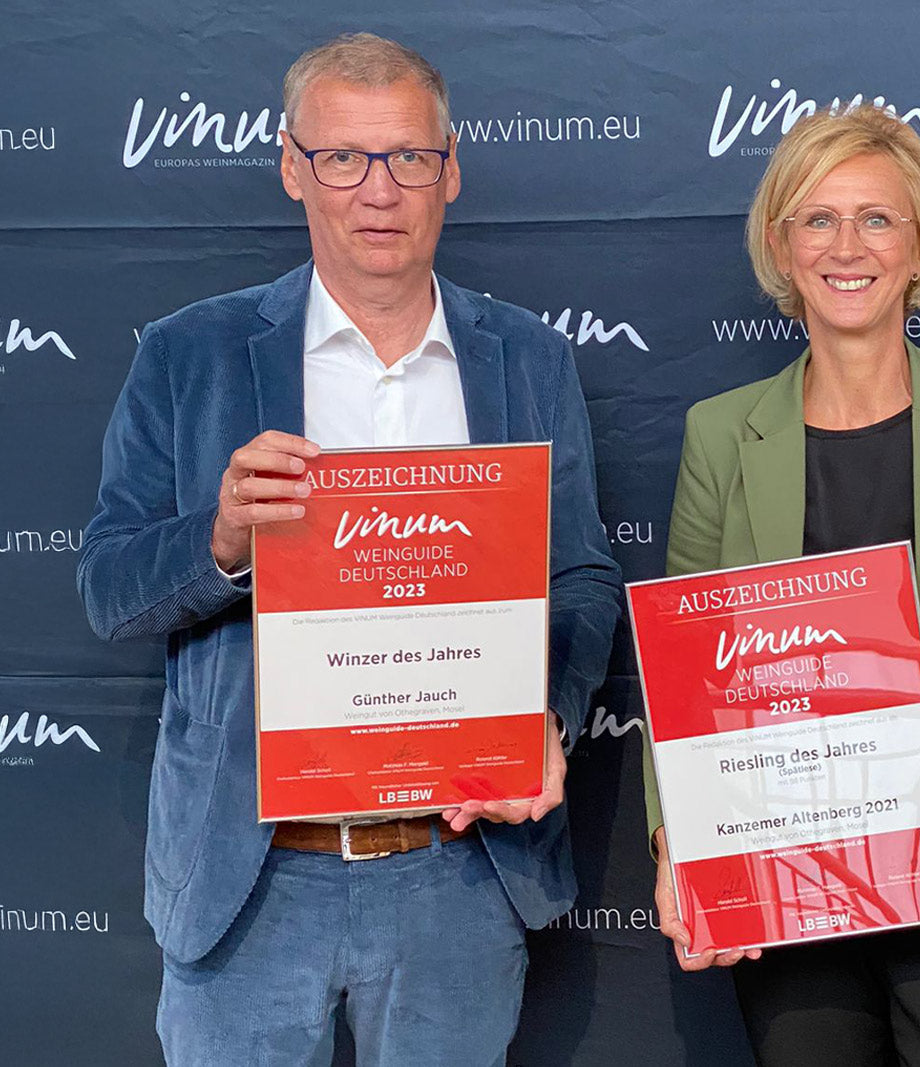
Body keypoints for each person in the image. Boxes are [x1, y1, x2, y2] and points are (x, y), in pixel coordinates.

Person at [77, 33, 622, 1066]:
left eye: (407, 157)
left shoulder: (528, 359)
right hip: (250, 879)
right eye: (344, 157)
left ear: (449, 169)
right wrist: (223, 539)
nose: (379, 189)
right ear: (293, 167)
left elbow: (582, 577)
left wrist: (544, 718)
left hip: (457, 876)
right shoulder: (190, 354)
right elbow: (108, 584)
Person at [639, 106, 920, 1065]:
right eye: (818, 218)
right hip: (787, 880)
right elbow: (678, 681)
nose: (847, 247)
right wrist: (674, 841)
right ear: (780, 243)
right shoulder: (720, 435)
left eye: (877, 219)